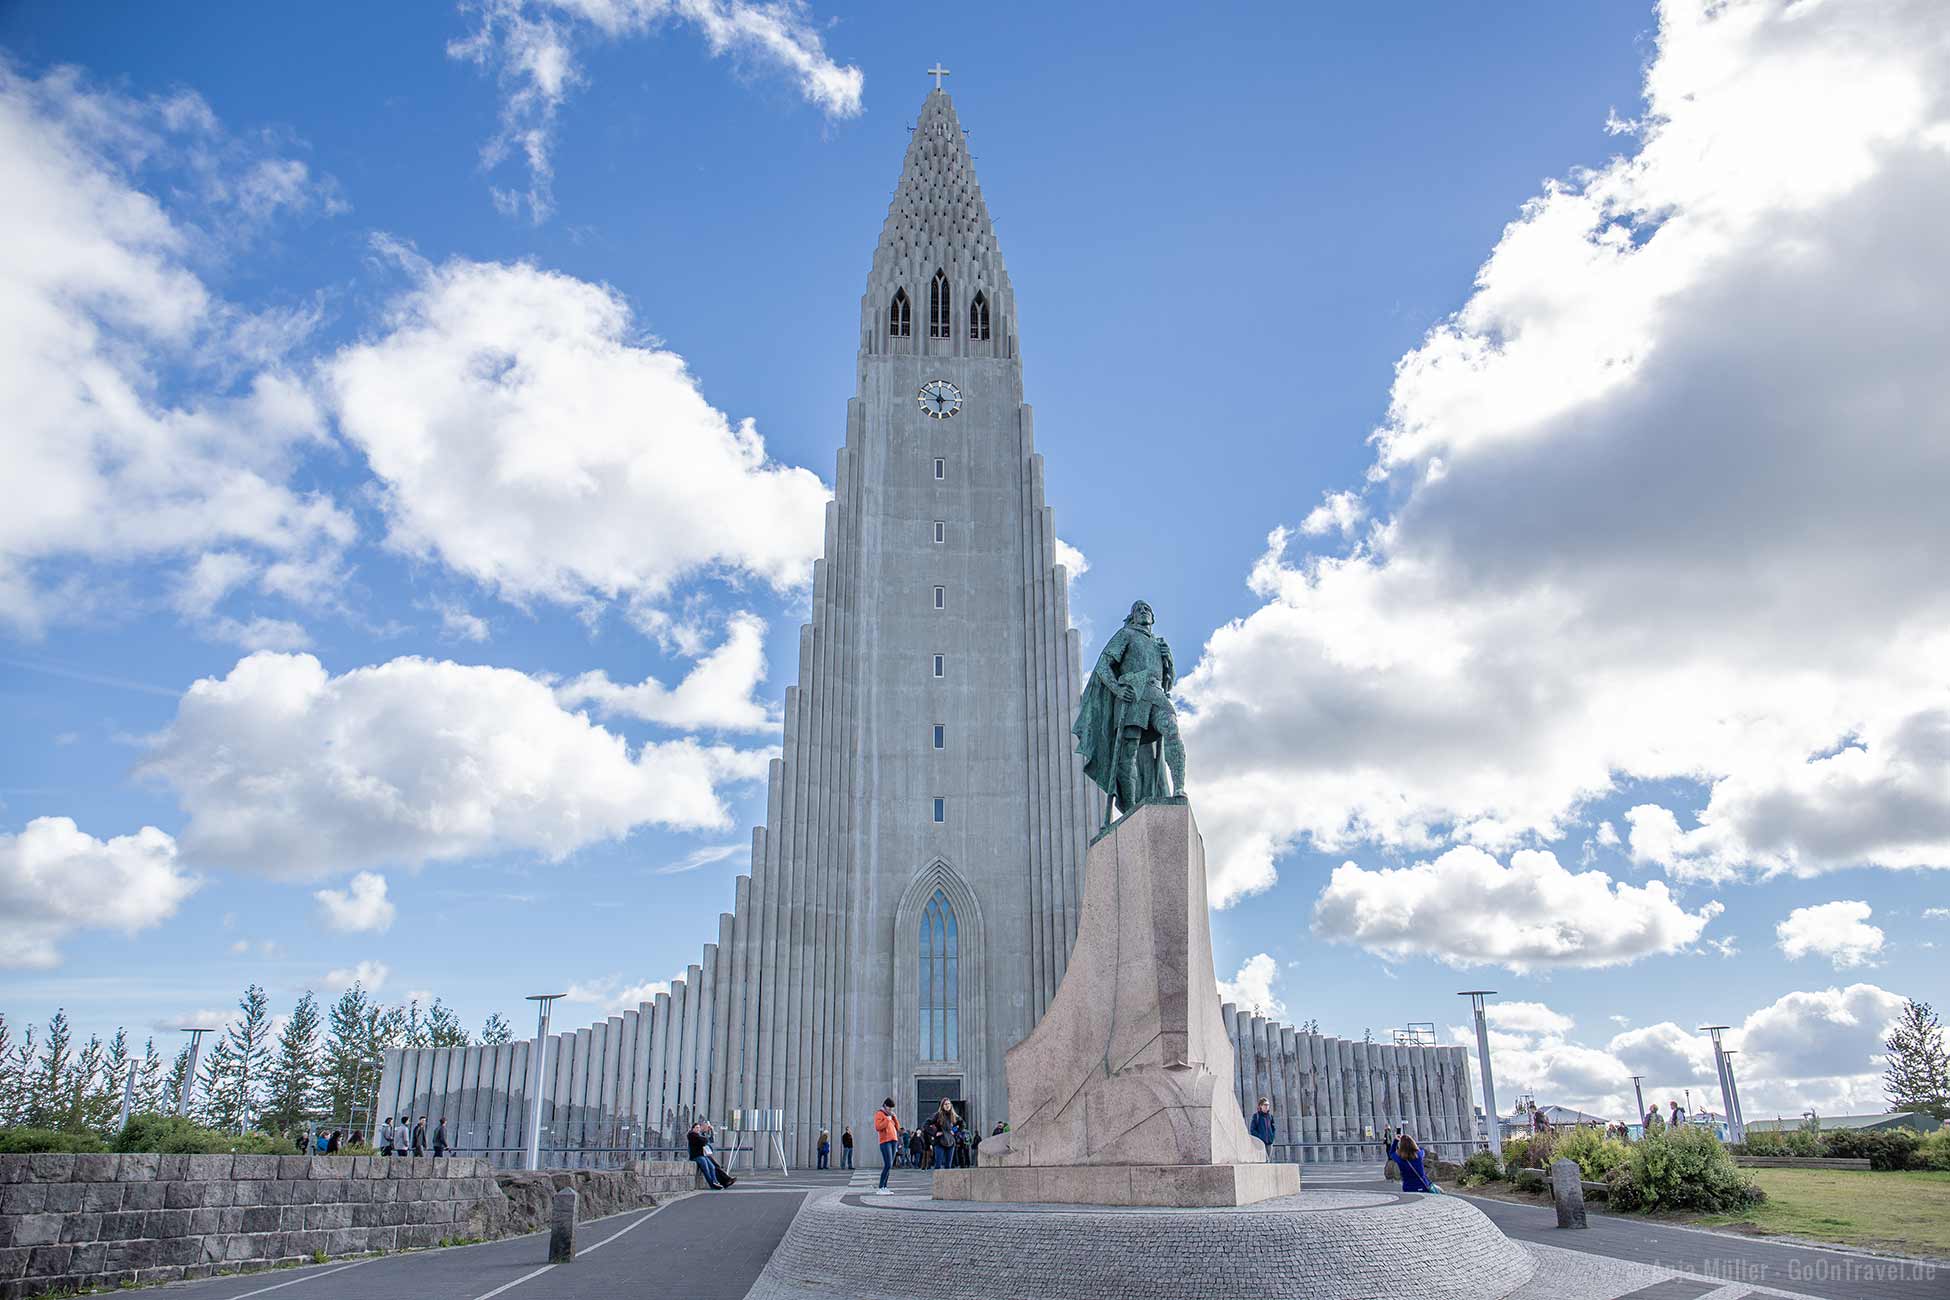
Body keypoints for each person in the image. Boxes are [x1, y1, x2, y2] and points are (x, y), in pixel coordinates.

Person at [688, 1122, 730, 1189]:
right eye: (697, 1128)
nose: (698, 1129)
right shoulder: (692, 1135)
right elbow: (704, 1141)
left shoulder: (699, 1135)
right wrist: (704, 1139)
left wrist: (710, 1131)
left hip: (703, 1155)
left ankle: (716, 1182)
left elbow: (709, 1140)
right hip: (696, 1156)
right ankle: (712, 1184)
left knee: (712, 1167)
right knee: (706, 1168)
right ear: (693, 1129)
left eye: (698, 1128)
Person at [874, 1098, 901, 1194]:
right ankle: (880, 1187)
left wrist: (894, 1118)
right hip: (885, 1142)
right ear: (885, 1106)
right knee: (888, 1164)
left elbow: (897, 1128)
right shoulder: (879, 1114)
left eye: (892, 1109)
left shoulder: (890, 1115)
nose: (891, 1110)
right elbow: (878, 1127)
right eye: (889, 1108)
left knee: (890, 1166)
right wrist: (887, 1120)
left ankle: (885, 1187)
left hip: (894, 1141)